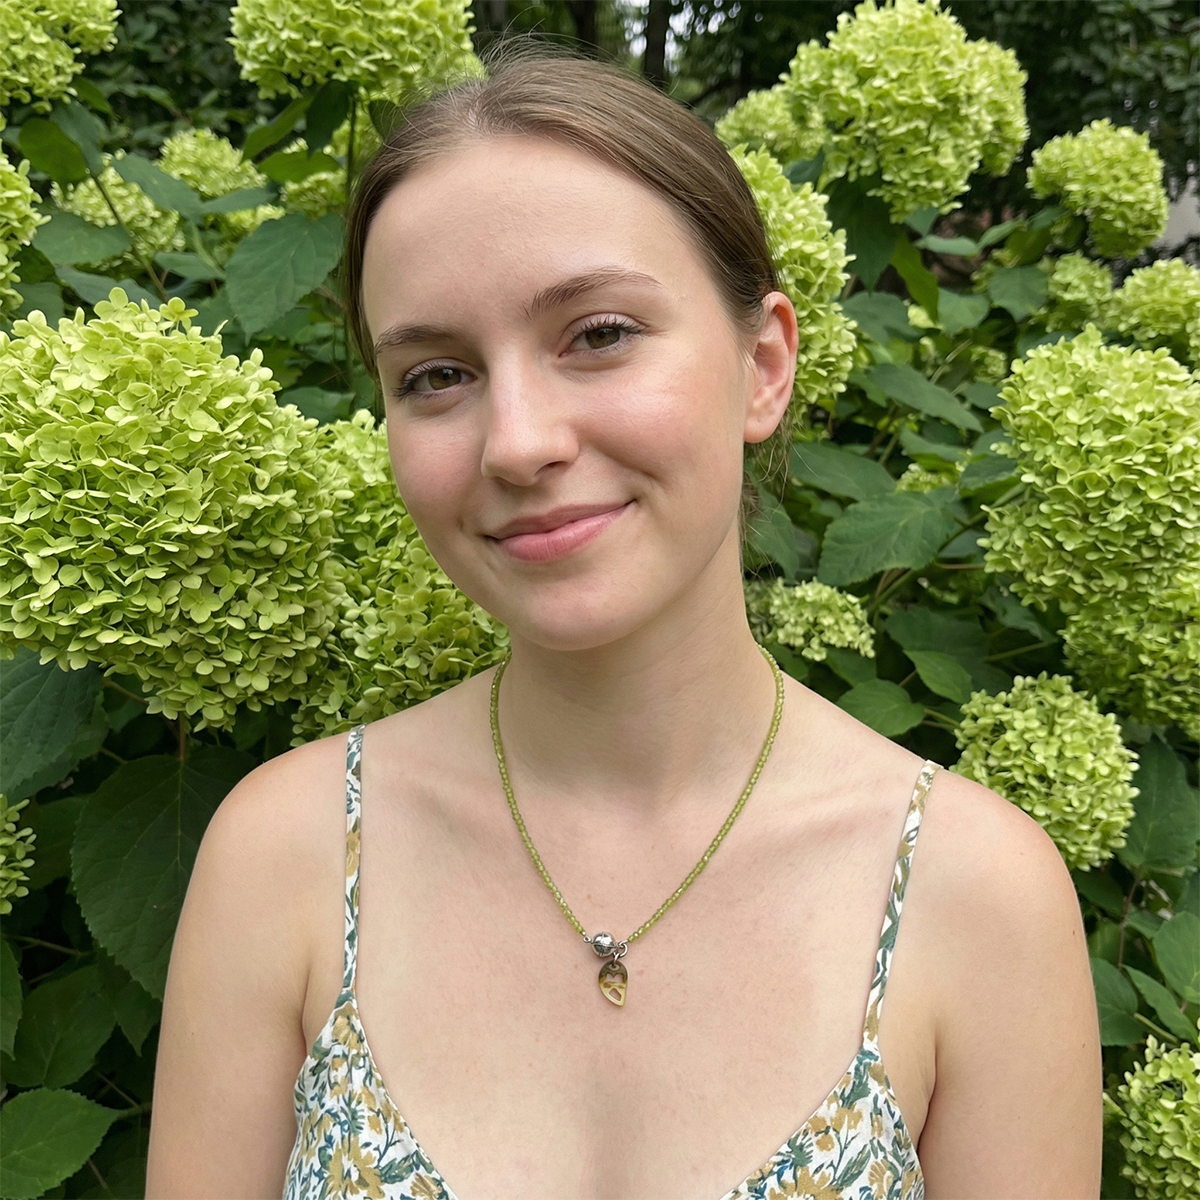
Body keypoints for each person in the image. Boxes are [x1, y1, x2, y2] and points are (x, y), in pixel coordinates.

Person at [146, 51, 1102, 1200]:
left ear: (763, 365)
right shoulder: (283, 857)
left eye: (597, 334)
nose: (516, 442)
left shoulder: (979, 894)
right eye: (437, 374)